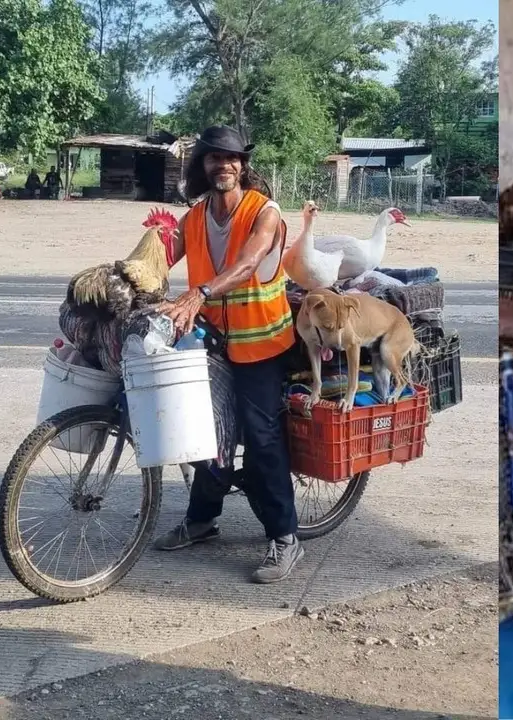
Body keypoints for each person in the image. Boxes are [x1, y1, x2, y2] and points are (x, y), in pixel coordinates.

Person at [152, 124, 304, 584]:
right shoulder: (195, 217)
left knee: (260, 436)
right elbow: (158, 259)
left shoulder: (265, 212)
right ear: (203, 165)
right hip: (213, 341)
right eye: (214, 157)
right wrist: (125, 279)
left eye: (232, 157)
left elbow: (248, 264)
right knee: (201, 430)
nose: (224, 165)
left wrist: (198, 292)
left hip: (262, 341)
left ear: (244, 164)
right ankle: (202, 520)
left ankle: (284, 537)